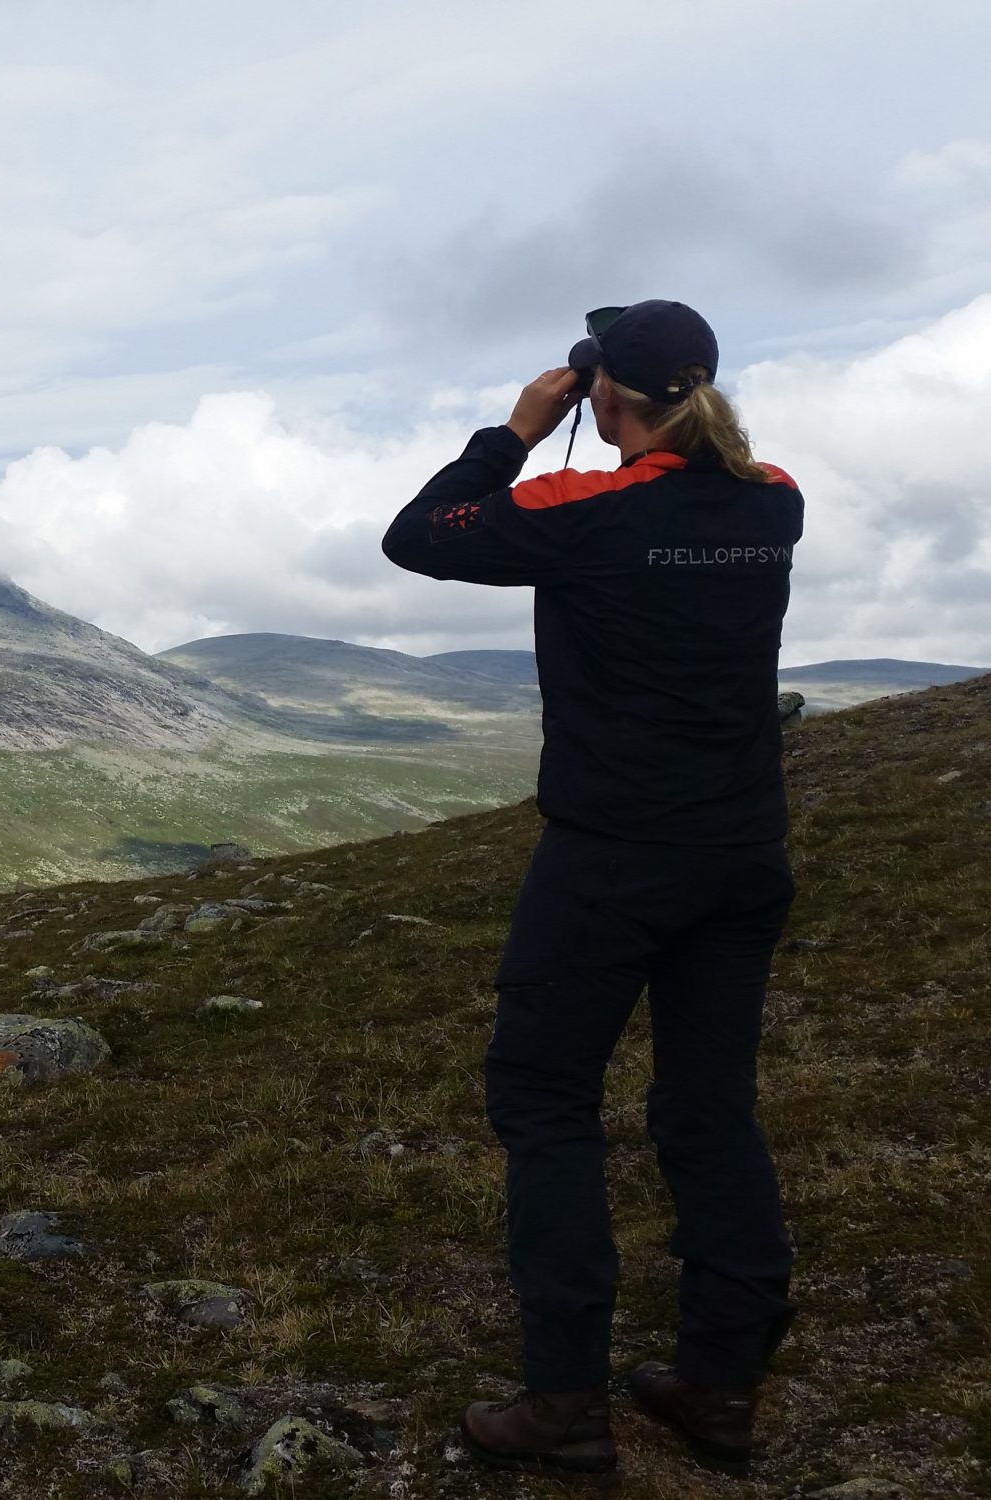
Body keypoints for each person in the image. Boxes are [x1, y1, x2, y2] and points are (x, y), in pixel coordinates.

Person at [380, 300, 804, 1486]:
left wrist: (514, 432)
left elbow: (418, 536)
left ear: (602, 393)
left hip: (612, 855)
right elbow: (697, 482)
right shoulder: (774, 500)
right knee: (709, 1107)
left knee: (545, 1098)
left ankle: (564, 1400)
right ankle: (717, 1386)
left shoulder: (585, 508)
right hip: (739, 854)